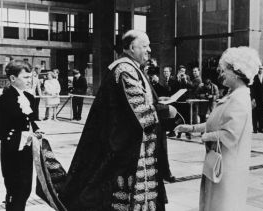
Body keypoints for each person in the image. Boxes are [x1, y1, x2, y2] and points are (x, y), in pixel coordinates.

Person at [56, 30, 177, 211]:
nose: (149, 50)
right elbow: (139, 110)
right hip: (126, 148)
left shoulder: (133, 68)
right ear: (130, 48)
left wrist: (159, 104)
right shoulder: (124, 69)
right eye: (144, 46)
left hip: (133, 146)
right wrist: (166, 110)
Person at [175, 46, 259, 211]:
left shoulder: (239, 99)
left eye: (225, 70)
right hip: (220, 163)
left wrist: (205, 137)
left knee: (222, 205)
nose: (221, 74)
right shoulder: (232, 95)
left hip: (228, 167)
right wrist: (191, 128)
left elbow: (230, 134)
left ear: (236, 72)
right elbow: (214, 123)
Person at [0, 60, 42, 211]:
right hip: (11, 152)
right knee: (14, 190)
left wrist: (36, 130)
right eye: (26, 77)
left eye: (31, 77)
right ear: (12, 79)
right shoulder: (4, 101)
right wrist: (24, 136)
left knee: (25, 189)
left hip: (26, 151)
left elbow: (29, 121)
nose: (30, 80)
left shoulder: (29, 98)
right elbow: (1, 131)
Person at [250, 65, 263, 133]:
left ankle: (261, 128)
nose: (260, 70)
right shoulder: (254, 77)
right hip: (256, 98)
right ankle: (255, 129)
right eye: (259, 69)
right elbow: (252, 88)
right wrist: (252, 98)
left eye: (261, 69)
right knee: (255, 114)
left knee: (261, 114)